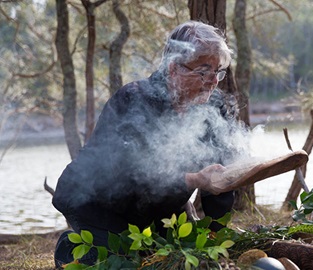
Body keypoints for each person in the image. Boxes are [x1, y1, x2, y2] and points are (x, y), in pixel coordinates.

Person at [52, 20, 249, 267]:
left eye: (218, 71)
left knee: (182, 256)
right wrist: (195, 179)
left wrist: (216, 232)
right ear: (174, 68)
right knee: (127, 260)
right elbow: (130, 174)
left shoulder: (213, 106)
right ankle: (70, 248)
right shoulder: (134, 99)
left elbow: (220, 176)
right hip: (98, 202)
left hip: (160, 204)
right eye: (203, 71)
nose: (213, 80)